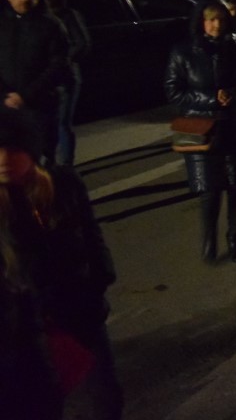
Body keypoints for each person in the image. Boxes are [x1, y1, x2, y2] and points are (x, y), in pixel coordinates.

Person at [0, 108, 123, 419]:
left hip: (82, 310)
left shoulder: (64, 183)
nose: (3, 158)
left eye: (12, 149)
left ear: (30, 149)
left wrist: (99, 280)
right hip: (30, 333)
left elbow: (92, 236)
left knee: (106, 401)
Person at [164, 0, 236, 263]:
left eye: (220, 19)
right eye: (210, 20)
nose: (216, 25)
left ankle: (234, 236)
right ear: (201, 21)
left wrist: (234, 95)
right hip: (203, 128)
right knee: (210, 190)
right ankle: (209, 239)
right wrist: (210, 99)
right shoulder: (184, 51)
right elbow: (174, 90)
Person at [0, 0, 68, 167]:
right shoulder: (3, 24)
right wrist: (5, 95)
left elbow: (58, 66)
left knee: (40, 162)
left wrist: (25, 95)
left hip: (39, 106)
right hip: (6, 106)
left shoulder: (51, 25)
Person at [33, 0, 90, 168]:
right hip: (43, 80)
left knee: (62, 123)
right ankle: (49, 163)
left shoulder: (67, 16)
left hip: (65, 78)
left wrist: (62, 61)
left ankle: (66, 166)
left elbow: (82, 43)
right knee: (45, 123)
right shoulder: (36, 18)